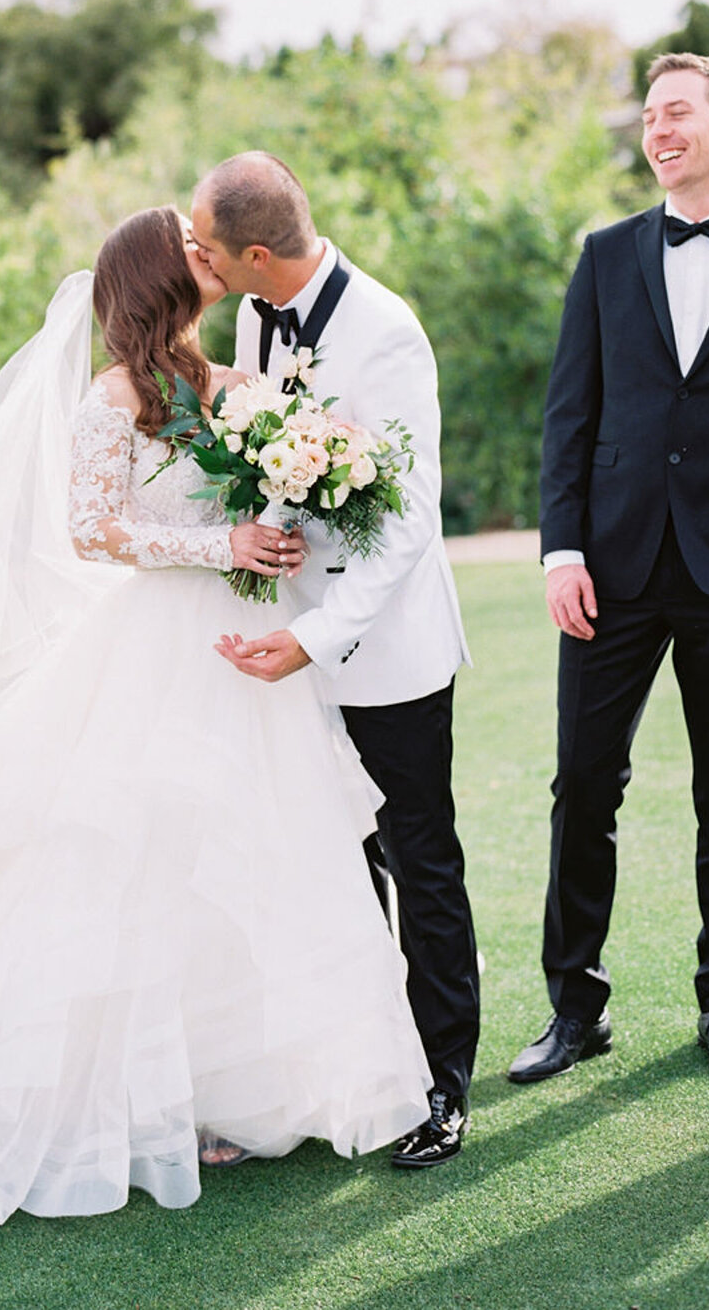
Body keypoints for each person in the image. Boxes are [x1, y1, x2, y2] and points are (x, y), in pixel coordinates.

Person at [0, 208, 432, 1228]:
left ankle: (235, 1080)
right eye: (190, 253)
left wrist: (286, 518)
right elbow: (94, 528)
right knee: (124, 857)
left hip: (249, 652)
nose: (207, 261)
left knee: (250, 851)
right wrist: (220, 549)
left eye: (210, 249)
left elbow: (276, 491)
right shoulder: (115, 397)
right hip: (154, 645)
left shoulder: (234, 382)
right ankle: (129, 1088)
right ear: (157, 279)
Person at [509, 52, 709, 1088]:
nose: (659, 129)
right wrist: (561, 548)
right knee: (583, 784)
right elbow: (568, 416)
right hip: (613, 566)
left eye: (678, 112)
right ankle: (572, 1008)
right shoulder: (604, 257)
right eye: (648, 115)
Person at [190, 153, 479, 1169]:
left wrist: (315, 635)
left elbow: (406, 526)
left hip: (384, 651)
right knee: (330, 864)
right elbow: (273, 457)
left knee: (416, 861)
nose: (200, 261)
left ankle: (442, 1079)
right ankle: (352, 1068)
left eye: (210, 247)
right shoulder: (255, 318)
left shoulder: (386, 333)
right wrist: (265, 540)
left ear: (257, 253)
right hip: (295, 641)